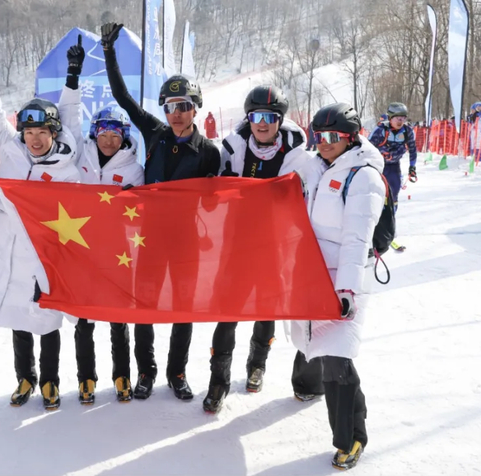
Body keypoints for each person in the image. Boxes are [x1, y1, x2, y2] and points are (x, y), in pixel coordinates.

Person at [101, 22, 220, 401]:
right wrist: (109, 52)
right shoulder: (154, 134)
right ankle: (146, 371)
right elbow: (123, 99)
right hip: (149, 238)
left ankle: (177, 372)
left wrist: (212, 191)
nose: (176, 114)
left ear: (195, 108)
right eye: (170, 107)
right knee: (145, 306)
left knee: (184, 309)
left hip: (186, 241)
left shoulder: (209, 152)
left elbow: (212, 204)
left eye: (183, 106)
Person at [0, 28, 81, 411]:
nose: (35, 139)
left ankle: (50, 382)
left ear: (53, 133)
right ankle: (25, 378)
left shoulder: (67, 165)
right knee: (18, 319)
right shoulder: (11, 150)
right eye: (29, 132)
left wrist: (73, 79)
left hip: (46, 258)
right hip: (11, 254)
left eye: (42, 132)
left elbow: (71, 114)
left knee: (47, 321)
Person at [202, 85, 311, 413]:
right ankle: (218, 380)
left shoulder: (297, 153)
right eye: (256, 117)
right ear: (248, 118)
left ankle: (257, 364)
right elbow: (215, 190)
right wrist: (210, 187)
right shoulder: (234, 148)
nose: (262, 124)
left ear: (280, 120)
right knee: (229, 310)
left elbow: (310, 197)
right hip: (237, 241)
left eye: (269, 118)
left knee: (266, 307)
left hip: (274, 243)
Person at [291, 103, 385, 471]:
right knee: (309, 337)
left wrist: (346, 290)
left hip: (345, 277)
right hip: (312, 272)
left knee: (337, 357)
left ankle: (352, 437)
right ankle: (307, 385)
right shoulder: (315, 166)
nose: (324, 142)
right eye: (319, 136)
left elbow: (356, 239)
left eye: (333, 136)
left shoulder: (363, 177)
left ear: (351, 137)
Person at [57, 35, 144, 404]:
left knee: (117, 316)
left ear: (124, 136)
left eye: (116, 133)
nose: (109, 139)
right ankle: (86, 378)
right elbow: (68, 118)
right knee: (83, 318)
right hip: (81, 246)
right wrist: (72, 75)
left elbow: (143, 212)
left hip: (117, 252)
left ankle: (122, 375)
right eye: (103, 132)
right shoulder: (81, 154)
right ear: (95, 133)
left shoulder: (134, 169)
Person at [368, 102, 416, 251]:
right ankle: (372, 227)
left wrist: (412, 167)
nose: (401, 121)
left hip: (394, 168)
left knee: (393, 198)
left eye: (403, 118)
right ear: (390, 118)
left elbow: (413, 149)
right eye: (397, 118)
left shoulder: (407, 131)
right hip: (378, 167)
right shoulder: (380, 130)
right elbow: (368, 148)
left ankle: (389, 227)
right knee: (376, 196)